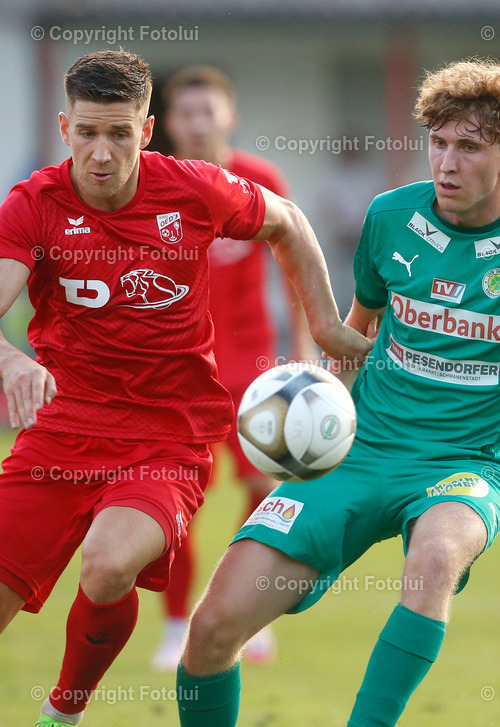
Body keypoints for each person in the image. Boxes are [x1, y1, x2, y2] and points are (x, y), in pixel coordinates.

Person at [175, 58, 500, 727]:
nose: (447, 162)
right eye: (438, 143)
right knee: (210, 629)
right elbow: (357, 330)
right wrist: (314, 406)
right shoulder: (390, 218)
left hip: (464, 467)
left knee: (435, 556)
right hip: (357, 453)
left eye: (468, 147)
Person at [0, 49, 371, 727]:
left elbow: (288, 222)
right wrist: (13, 362)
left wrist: (325, 322)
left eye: (119, 134)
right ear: (64, 128)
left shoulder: (193, 189)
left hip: (165, 436)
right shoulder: (34, 205)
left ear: (146, 132)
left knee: (108, 562)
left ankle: (63, 710)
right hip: (58, 435)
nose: (101, 152)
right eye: (87, 133)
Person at [150, 65, 312, 670]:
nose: (197, 124)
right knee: (171, 506)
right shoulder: (154, 184)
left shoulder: (260, 179)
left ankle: (248, 620)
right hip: (177, 375)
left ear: (229, 117)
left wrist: (302, 345)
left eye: (207, 112)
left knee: (266, 493)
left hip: (253, 370)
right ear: (168, 123)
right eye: (185, 114)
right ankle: (173, 628)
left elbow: (294, 264)